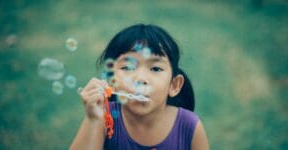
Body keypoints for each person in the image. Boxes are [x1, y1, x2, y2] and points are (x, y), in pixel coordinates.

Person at [70, 24, 209, 150]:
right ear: (111, 82)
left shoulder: (189, 126)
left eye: (155, 69)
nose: (140, 79)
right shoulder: (104, 118)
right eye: (128, 67)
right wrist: (92, 119)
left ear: (174, 85)